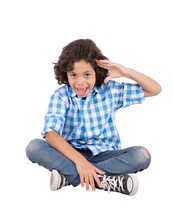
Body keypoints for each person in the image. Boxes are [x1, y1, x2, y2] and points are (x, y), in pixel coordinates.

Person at [26, 39, 161, 195]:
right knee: (34, 147)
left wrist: (126, 71)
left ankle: (70, 177)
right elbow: (51, 134)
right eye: (73, 75)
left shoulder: (110, 90)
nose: (80, 82)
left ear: (96, 72)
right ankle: (103, 181)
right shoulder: (61, 96)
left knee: (141, 155)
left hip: (105, 156)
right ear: (66, 74)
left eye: (87, 74)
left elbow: (155, 89)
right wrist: (81, 162)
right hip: (71, 155)